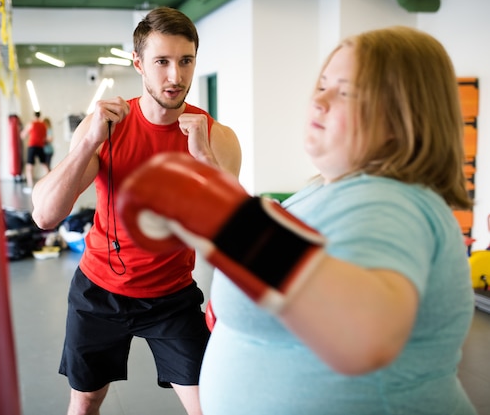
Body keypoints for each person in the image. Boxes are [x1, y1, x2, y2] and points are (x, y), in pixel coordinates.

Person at [116, 26, 477, 414]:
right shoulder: (329, 190)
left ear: (403, 114)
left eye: (345, 91)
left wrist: (218, 214)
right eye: (322, 84)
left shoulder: (390, 199)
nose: (319, 99)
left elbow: (365, 331)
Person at [30, 7, 241, 415]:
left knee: (210, 405)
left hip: (172, 296)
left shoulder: (217, 137)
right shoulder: (107, 128)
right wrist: (89, 142)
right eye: (161, 62)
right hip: (99, 292)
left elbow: (235, 236)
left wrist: (204, 161)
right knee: (86, 399)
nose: (175, 76)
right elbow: (44, 216)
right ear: (138, 63)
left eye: (185, 61)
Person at [21, 111, 49, 193]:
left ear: (34, 116)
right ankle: (49, 183)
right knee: (44, 165)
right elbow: (44, 137)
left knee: (29, 167)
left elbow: (23, 135)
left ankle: (30, 186)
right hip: (40, 146)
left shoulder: (31, 124)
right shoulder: (44, 125)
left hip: (32, 146)